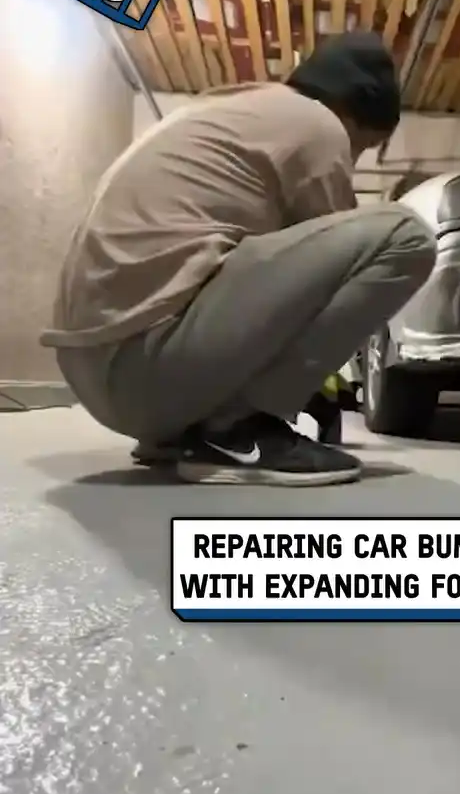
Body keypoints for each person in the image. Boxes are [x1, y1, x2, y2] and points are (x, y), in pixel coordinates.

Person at [41, 32, 437, 486]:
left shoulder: (228, 113)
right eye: (362, 147)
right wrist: (300, 382)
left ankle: (193, 432)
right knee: (405, 235)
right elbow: (336, 269)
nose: (353, 159)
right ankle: (239, 429)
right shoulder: (317, 123)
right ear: (355, 112)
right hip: (145, 365)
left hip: (97, 371)